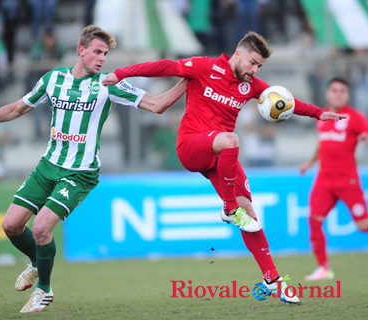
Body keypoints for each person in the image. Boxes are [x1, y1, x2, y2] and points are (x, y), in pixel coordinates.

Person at [0, 25, 188, 313]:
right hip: (48, 165)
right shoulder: (53, 79)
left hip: (80, 172)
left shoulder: (107, 84)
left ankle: (44, 290)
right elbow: (17, 108)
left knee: (40, 228)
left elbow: (157, 105)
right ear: (81, 50)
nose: (102, 58)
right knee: (11, 225)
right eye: (97, 52)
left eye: (105, 53)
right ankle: (37, 263)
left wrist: (187, 81)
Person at [102, 31, 344, 304]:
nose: (254, 70)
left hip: (220, 157)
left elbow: (284, 102)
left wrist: (317, 113)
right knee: (231, 141)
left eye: (259, 67)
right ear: (237, 54)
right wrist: (121, 73)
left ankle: (272, 279)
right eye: (252, 63)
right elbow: (165, 66)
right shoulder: (206, 66)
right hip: (191, 146)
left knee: (250, 214)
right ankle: (229, 210)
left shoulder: (250, 85)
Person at [299, 78, 368, 280]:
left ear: (347, 95)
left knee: (363, 227)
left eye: (342, 91)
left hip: (348, 182)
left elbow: (365, 133)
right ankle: (324, 268)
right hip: (324, 181)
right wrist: (309, 162)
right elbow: (323, 144)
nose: (338, 94)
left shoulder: (355, 117)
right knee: (314, 220)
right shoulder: (321, 116)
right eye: (334, 90)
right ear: (328, 93)